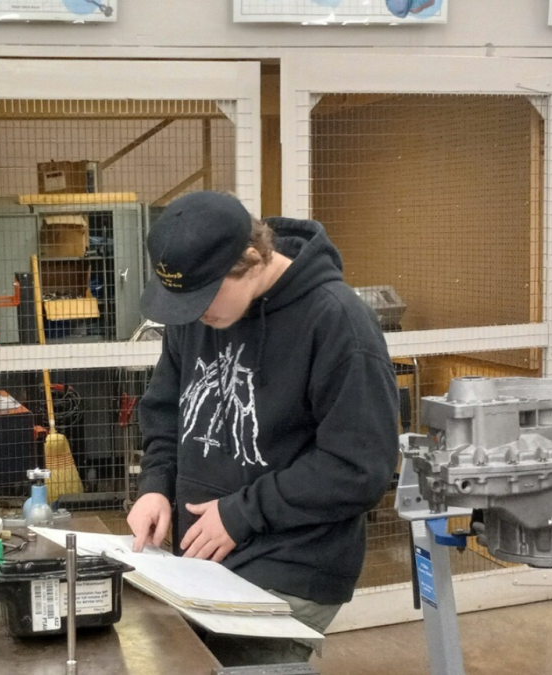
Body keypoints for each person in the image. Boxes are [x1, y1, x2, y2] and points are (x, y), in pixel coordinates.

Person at [127, 191, 398, 666]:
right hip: (206, 558)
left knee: (234, 661)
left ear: (252, 258)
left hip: (295, 558)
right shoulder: (196, 315)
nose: (196, 313)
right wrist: (154, 486)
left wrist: (243, 513)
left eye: (204, 297)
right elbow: (166, 409)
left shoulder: (337, 321)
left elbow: (360, 467)